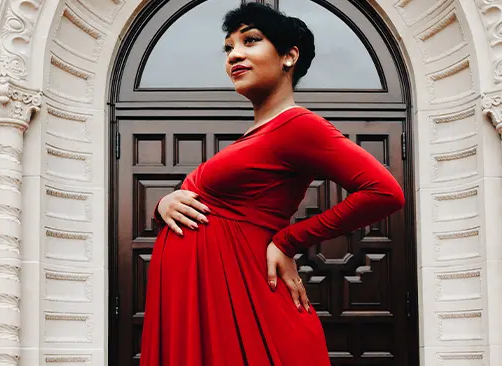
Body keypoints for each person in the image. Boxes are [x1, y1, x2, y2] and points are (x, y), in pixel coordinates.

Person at [139, 3, 405, 365]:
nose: (235, 54)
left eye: (250, 41)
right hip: (203, 295)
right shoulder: (254, 136)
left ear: (289, 56)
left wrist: (288, 240)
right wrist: (163, 204)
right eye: (229, 47)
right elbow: (210, 201)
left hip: (244, 291)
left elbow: (384, 192)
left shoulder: (299, 126)